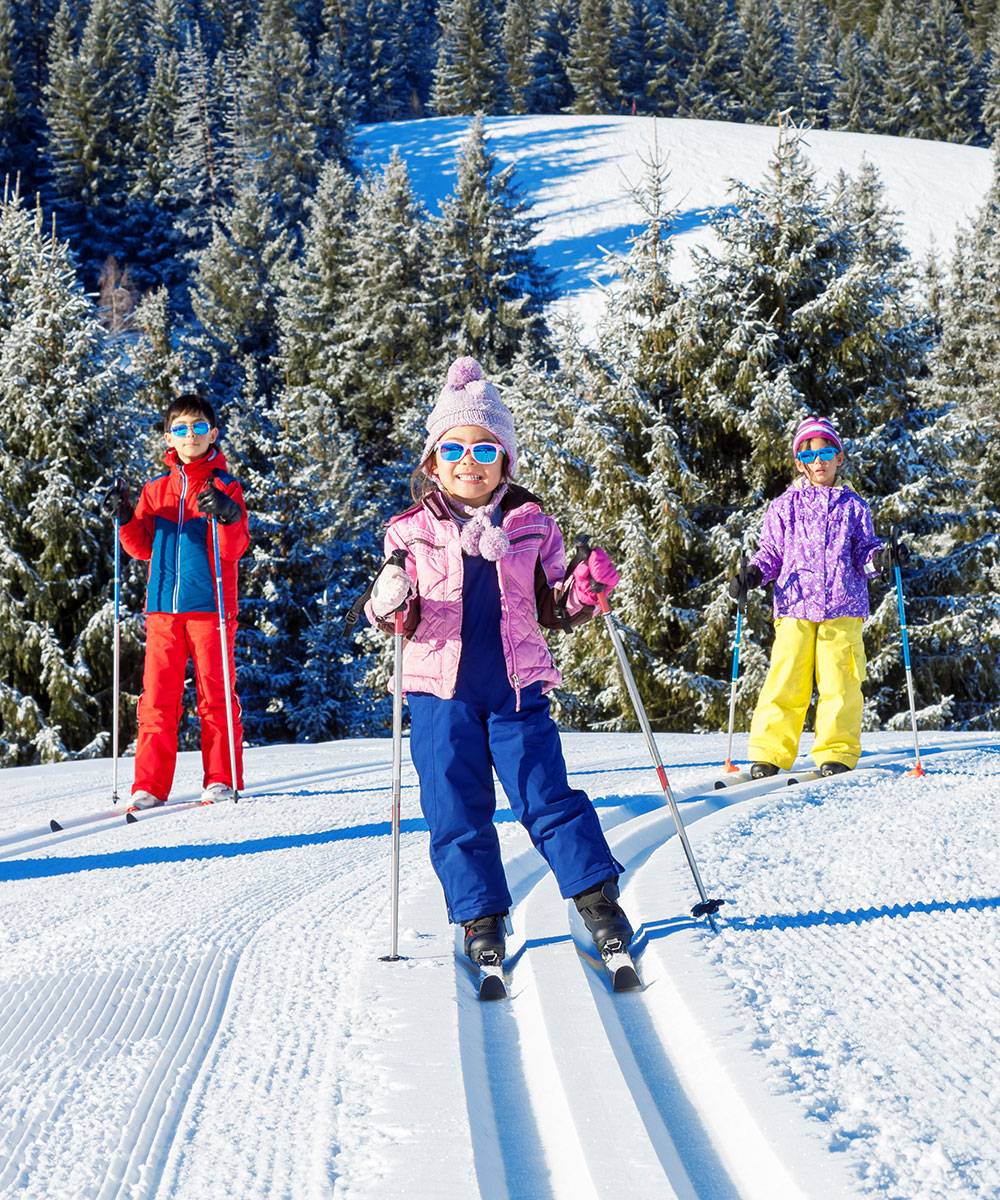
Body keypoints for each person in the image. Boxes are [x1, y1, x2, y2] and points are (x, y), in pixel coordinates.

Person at [365, 356, 633, 967]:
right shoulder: (407, 530)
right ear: (433, 462)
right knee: (454, 808)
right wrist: (387, 602)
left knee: (546, 795)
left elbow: (554, 607)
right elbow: (396, 615)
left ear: (505, 461)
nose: (470, 464)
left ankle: (597, 901)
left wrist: (587, 591)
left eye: (486, 453)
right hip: (440, 693)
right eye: (455, 451)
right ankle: (480, 916)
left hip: (516, 689)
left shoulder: (532, 525)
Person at [730, 416, 903, 780]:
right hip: (794, 604)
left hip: (844, 604)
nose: (819, 461)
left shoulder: (854, 506)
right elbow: (771, 553)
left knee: (840, 680)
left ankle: (836, 751)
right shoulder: (783, 506)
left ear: (839, 458)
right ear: (799, 463)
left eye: (826, 452)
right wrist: (754, 574)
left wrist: (881, 558)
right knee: (785, 677)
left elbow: (863, 551)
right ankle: (770, 752)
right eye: (809, 455)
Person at [101, 395, 249, 809]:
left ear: (213, 434)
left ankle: (221, 779)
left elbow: (234, 549)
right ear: (169, 436)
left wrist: (228, 515)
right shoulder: (156, 491)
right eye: (182, 428)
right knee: (156, 699)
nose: (191, 435)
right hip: (163, 608)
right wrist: (126, 516)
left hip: (212, 607)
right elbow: (140, 547)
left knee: (215, 696)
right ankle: (148, 786)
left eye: (199, 428)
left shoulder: (226, 487)